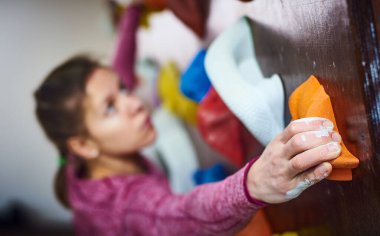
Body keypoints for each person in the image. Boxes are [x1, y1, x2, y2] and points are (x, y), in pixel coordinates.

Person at [34, 53, 342, 235]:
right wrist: (254, 184)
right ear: (84, 144)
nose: (136, 104)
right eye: (111, 107)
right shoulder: (125, 207)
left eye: (124, 89)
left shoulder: (81, 161)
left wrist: (132, 14)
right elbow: (177, 214)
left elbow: (119, 68)